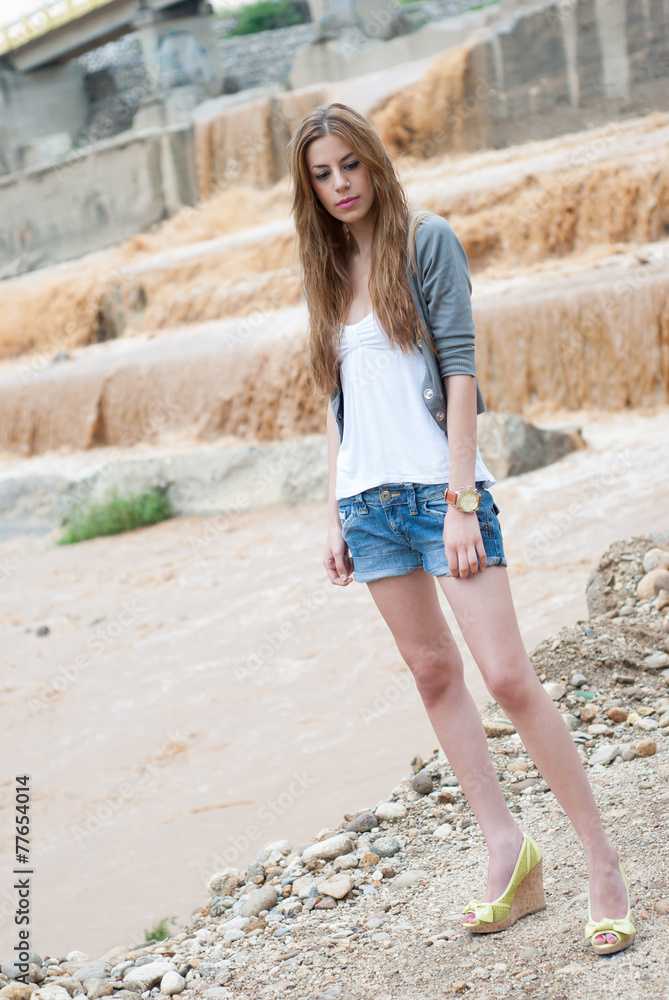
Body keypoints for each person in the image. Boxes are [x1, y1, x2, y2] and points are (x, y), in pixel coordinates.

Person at [286, 102, 635, 955]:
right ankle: (508, 853)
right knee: (433, 676)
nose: (339, 186)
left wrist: (459, 503)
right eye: (321, 174)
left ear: (373, 161)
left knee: (509, 677)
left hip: (439, 496)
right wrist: (332, 508)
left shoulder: (427, 240)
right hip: (367, 507)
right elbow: (334, 403)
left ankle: (601, 864)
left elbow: (460, 373)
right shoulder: (325, 266)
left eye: (349, 166)